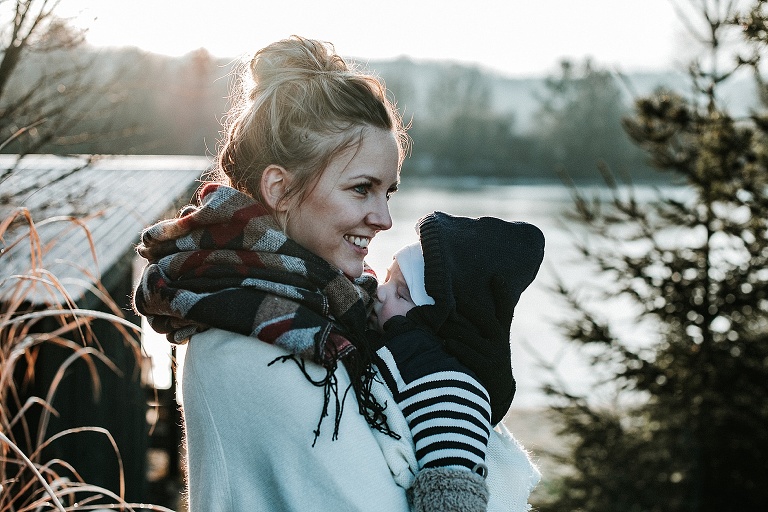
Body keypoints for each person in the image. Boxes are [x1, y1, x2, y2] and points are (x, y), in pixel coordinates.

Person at [133, 35, 540, 511]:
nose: (384, 219)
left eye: (388, 192)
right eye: (362, 188)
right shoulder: (252, 344)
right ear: (280, 189)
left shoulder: (335, 313)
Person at [371, 211, 545, 512]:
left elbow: (454, 482)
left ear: (436, 322)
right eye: (386, 278)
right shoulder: (409, 349)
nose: (379, 292)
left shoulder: (449, 384)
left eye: (400, 293)